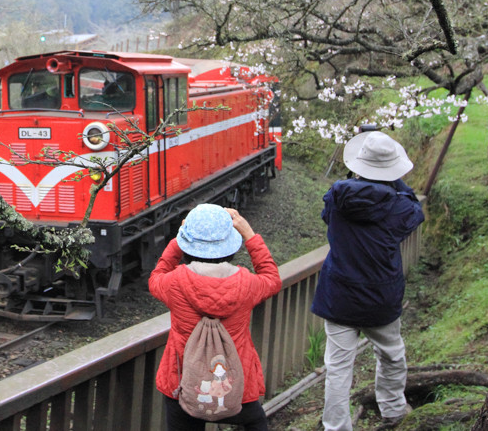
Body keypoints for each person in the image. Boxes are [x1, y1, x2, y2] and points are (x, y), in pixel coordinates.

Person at [312, 130, 425, 430]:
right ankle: (393, 408)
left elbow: (327, 217)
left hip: (338, 296)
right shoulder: (400, 207)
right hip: (380, 297)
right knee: (391, 356)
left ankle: (336, 426)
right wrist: (394, 182)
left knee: (337, 368)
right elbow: (416, 211)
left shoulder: (337, 196)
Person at [150, 203, 282, 431]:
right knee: (255, 422)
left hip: (182, 383)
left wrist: (179, 239)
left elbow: (157, 275)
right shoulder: (247, 283)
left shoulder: (174, 283)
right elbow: (271, 278)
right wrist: (249, 234)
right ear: (230, 245)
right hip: (236, 385)